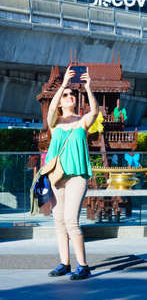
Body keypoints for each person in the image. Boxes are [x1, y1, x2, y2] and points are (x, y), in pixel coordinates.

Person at [45, 66, 98, 280]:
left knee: (71, 220)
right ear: (59, 102)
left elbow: (94, 112)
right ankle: (64, 263)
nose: (70, 97)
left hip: (77, 176)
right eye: (66, 96)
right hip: (57, 176)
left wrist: (88, 88)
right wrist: (63, 85)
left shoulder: (82, 121)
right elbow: (49, 111)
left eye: (71, 95)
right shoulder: (55, 123)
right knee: (58, 220)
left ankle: (83, 265)